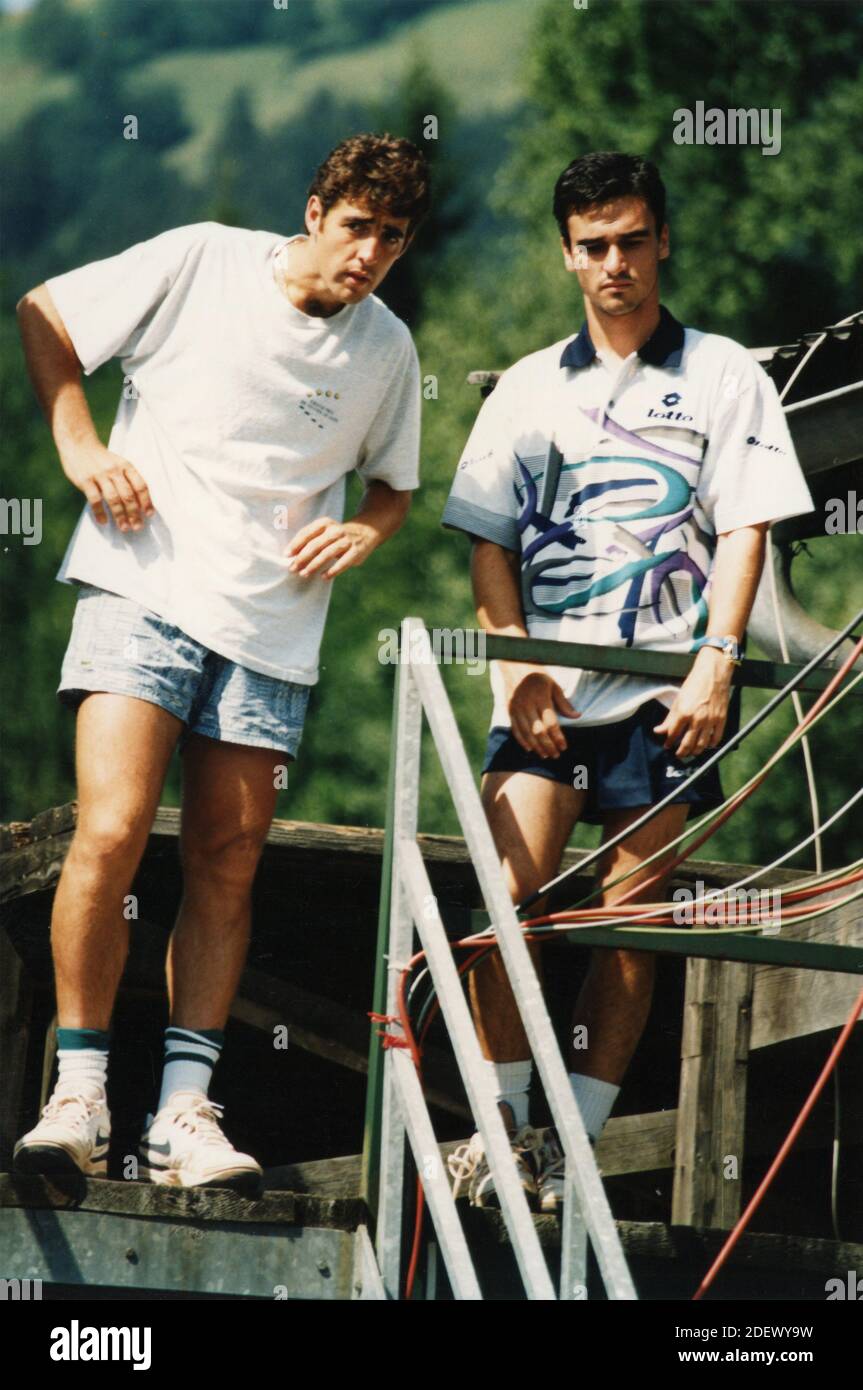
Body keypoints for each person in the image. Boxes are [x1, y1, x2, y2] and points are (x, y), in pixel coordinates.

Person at [14, 133, 430, 1196]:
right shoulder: (202, 259)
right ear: (312, 212)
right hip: (142, 584)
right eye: (356, 226)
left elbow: (393, 483)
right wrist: (79, 447)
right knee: (108, 829)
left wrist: (369, 532)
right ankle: (79, 1096)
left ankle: (182, 1115)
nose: (370, 251)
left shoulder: (387, 348)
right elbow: (46, 315)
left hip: (270, 630)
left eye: (391, 234)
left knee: (228, 861)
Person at [441, 151, 814, 1210]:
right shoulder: (523, 384)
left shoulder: (722, 372)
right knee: (503, 900)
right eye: (592, 246)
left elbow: (743, 527)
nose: (615, 263)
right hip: (548, 692)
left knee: (632, 919)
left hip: (666, 690)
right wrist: (511, 662)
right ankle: (500, 1130)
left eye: (632, 240)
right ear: (566, 255)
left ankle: (574, 1147)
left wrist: (716, 662)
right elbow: (486, 543)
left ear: (662, 241)